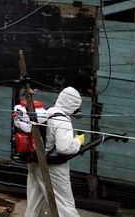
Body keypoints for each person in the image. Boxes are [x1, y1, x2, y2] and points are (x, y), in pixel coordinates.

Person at [25, 86, 85, 217]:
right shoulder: (62, 120)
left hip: (36, 162)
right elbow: (64, 148)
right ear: (73, 105)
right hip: (53, 168)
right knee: (65, 205)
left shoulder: (48, 111)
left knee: (35, 203)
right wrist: (78, 141)